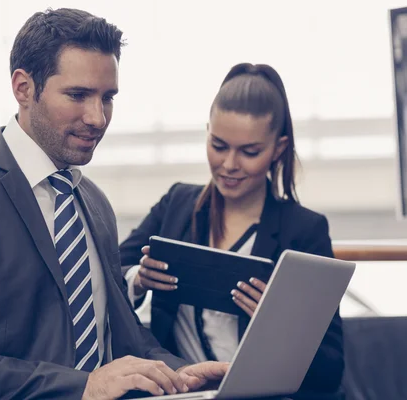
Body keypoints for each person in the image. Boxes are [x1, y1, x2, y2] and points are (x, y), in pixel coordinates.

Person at [0, 8, 227, 400]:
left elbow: (119, 331)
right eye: (78, 95)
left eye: (108, 98)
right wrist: (81, 386)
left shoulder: (94, 203)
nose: (98, 118)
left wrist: (180, 373)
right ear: (23, 87)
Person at [120, 63, 344, 393]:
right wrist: (138, 279)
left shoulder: (304, 231)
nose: (228, 165)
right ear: (207, 132)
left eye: (249, 152)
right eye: (219, 145)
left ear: (277, 150)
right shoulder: (177, 205)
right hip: (180, 393)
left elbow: (331, 368)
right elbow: (111, 274)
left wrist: (281, 324)